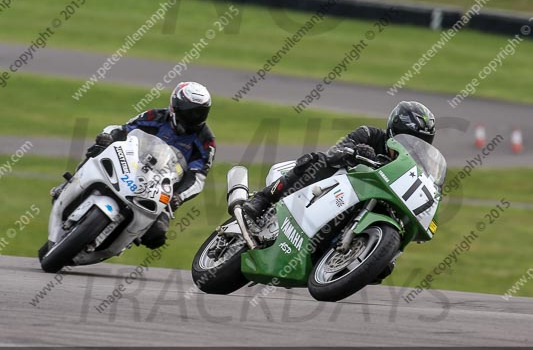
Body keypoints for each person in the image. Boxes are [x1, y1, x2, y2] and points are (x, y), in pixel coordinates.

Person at [51, 81, 215, 249]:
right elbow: (123, 130)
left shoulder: (205, 141)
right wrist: (108, 137)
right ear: (175, 106)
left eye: (200, 112)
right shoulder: (154, 116)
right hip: (131, 166)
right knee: (100, 147)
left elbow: (198, 178)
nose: (194, 117)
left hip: (161, 190)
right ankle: (71, 182)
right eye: (190, 112)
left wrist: (180, 196)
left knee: (156, 236)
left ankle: (119, 243)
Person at [243, 100, 436, 220]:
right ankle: (263, 198)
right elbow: (334, 151)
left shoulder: (415, 167)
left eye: (420, 143)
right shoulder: (369, 134)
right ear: (395, 131)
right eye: (409, 138)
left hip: (368, 200)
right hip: (339, 185)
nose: (413, 146)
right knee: (315, 160)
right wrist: (355, 152)